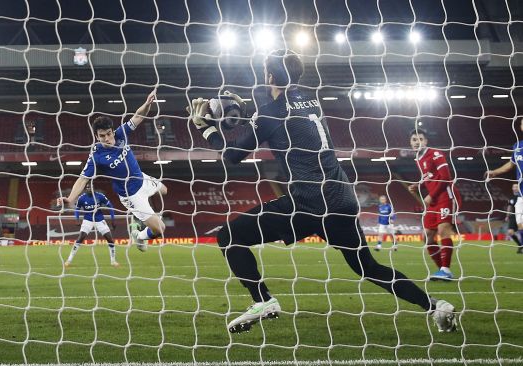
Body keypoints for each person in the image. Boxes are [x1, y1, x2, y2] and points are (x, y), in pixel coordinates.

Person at [187, 49, 457, 334]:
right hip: (341, 198)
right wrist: (251, 114)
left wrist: (205, 128)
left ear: (268, 76)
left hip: (307, 203)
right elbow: (284, 119)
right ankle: (436, 306)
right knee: (368, 267)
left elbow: (232, 155)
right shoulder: (311, 100)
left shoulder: (269, 113)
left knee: (229, 236)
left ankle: (263, 300)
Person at [57, 91, 167, 251]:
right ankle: (140, 236)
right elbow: (82, 179)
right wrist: (71, 198)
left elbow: (138, 116)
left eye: (109, 134)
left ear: (112, 131)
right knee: (160, 229)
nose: (107, 138)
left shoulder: (121, 134)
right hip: (131, 195)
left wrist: (148, 103)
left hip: (142, 179)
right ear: (97, 136)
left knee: (164, 189)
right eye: (102, 136)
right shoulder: (96, 155)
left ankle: (144, 226)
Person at [409, 129, 462, 281]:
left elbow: (445, 177)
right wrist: (418, 185)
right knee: (427, 236)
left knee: (443, 229)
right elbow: (430, 178)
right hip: (434, 200)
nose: (417, 142)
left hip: (446, 195)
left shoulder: (436, 153)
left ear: (426, 141)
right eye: (414, 139)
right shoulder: (418, 159)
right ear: (410, 143)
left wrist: (430, 195)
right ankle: (442, 270)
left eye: (420, 139)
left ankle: (446, 270)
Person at [487, 120, 523, 254]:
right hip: (521, 192)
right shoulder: (518, 146)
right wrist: (495, 172)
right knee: (520, 223)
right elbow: (510, 164)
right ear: (520, 127)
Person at [65, 186, 119, 267]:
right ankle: (68, 260)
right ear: (85, 189)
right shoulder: (82, 198)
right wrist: (77, 219)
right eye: (87, 188)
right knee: (80, 238)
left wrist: (113, 219)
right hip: (88, 220)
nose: (89, 189)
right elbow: (77, 209)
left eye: (90, 187)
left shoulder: (100, 196)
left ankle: (113, 261)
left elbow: (110, 206)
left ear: (93, 188)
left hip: (100, 220)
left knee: (110, 239)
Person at [505, 184, 523, 254]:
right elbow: (509, 207)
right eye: (514, 187)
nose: (515, 188)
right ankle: (520, 245)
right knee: (510, 232)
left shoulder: (521, 196)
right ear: (512, 188)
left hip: (521, 215)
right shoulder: (511, 198)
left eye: (517, 187)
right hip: (513, 216)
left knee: (521, 230)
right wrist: (507, 215)